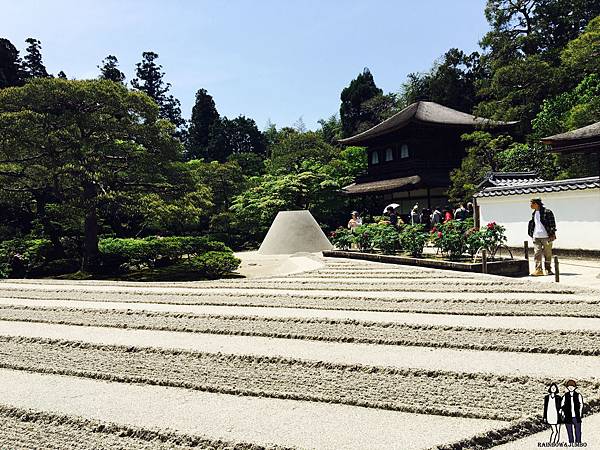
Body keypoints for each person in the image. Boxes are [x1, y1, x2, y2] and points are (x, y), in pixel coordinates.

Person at [528, 198, 557, 276]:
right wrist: (531, 233)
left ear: (536, 204)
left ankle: (548, 269)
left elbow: (552, 224)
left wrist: (552, 234)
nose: (530, 205)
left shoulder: (547, 212)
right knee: (537, 253)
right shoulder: (534, 213)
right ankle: (538, 270)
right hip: (536, 236)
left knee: (547, 254)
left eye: (531, 203)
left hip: (546, 236)